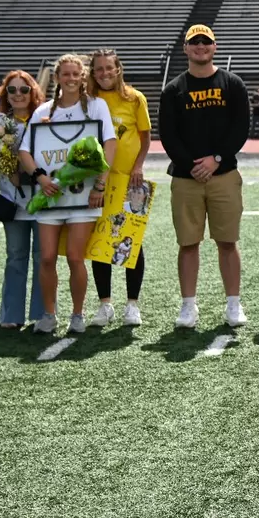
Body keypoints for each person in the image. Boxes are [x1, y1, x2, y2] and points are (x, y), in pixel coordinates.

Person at [160, 25, 250, 330]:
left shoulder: (232, 83)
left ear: (214, 47)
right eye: (194, 42)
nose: (200, 46)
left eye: (205, 42)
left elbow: (240, 128)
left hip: (223, 174)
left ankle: (234, 303)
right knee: (188, 243)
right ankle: (188, 306)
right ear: (185, 48)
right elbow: (168, 136)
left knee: (227, 241)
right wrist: (193, 165)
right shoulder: (173, 90)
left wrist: (216, 159)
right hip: (186, 178)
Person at [25, 54, 118, 335]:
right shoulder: (42, 111)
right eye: (64, 74)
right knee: (47, 258)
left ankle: (77, 314)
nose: (70, 78)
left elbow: (109, 145)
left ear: (83, 76)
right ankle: (49, 314)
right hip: (50, 197)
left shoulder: (97, 106)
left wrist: (100, 185)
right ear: (57, 78)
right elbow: (24, 151)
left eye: (75, 74)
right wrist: (40, 178)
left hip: (83, 196)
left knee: (76, 257)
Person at [89, 49, 153, 327]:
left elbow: (146, 136)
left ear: (118, 69)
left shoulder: (134, 98)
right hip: (98, 182)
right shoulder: (88, 101)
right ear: (92, 73)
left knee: (130, 243)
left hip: (129, 180)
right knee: (99, 243)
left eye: (109, 68)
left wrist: (138, 166)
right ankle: (105, 305)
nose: (104, 73)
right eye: (98, 69)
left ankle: (132, 305)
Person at [0, 68, 45, 331]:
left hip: (44, 201)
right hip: (13, 202)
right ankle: (10, 315)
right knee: (15, 256)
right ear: (5, 94)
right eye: (11, 90)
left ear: (32, 92)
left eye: (24, 89)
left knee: (43, 258)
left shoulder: (45, 118)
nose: (18, 94)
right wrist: (9, 165)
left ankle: (42, 315)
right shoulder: (0, 122)